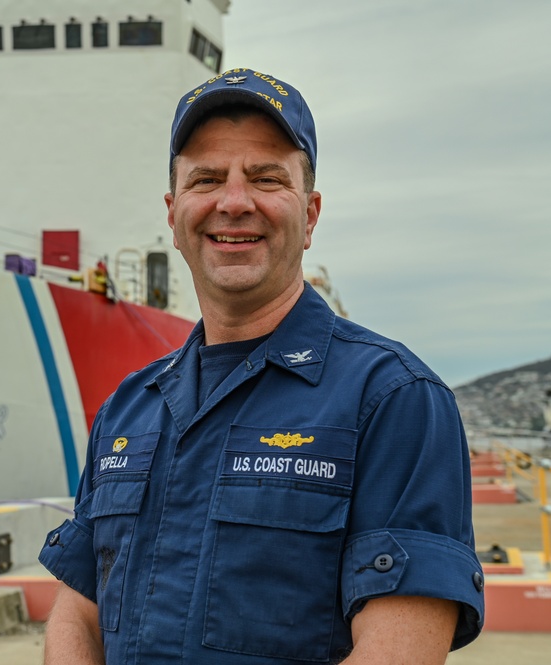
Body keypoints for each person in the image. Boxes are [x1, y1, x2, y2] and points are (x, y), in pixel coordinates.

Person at [38, 68, 484, 664]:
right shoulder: (129, 407)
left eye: (266, 178)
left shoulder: (394, 399)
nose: (234, 202)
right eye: (207, 179)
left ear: (311, 213)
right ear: (173, 213)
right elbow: (78, 613)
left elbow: (398, 652)